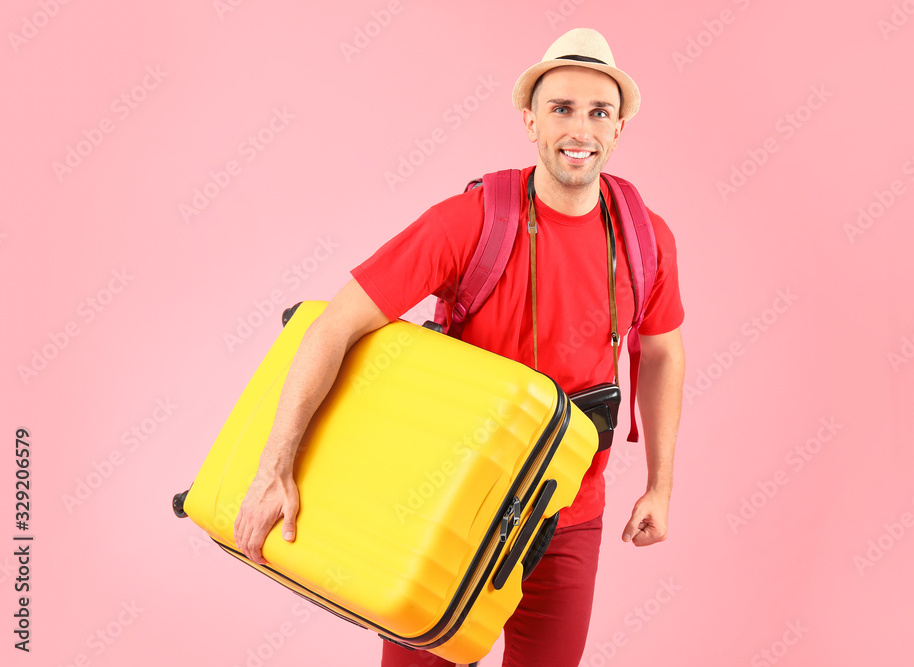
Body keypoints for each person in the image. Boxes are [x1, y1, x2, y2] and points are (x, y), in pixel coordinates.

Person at [234, 28, 686, 667]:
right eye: (560, 109)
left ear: (617, 130)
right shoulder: (470, 222)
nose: (579, 127)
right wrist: (274, 465)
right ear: (529, 120)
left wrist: (661, 485)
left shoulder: (647, 239)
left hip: (568, 510)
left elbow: (662, 352)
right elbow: (332, 326)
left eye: (598, 112)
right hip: (451, 506)